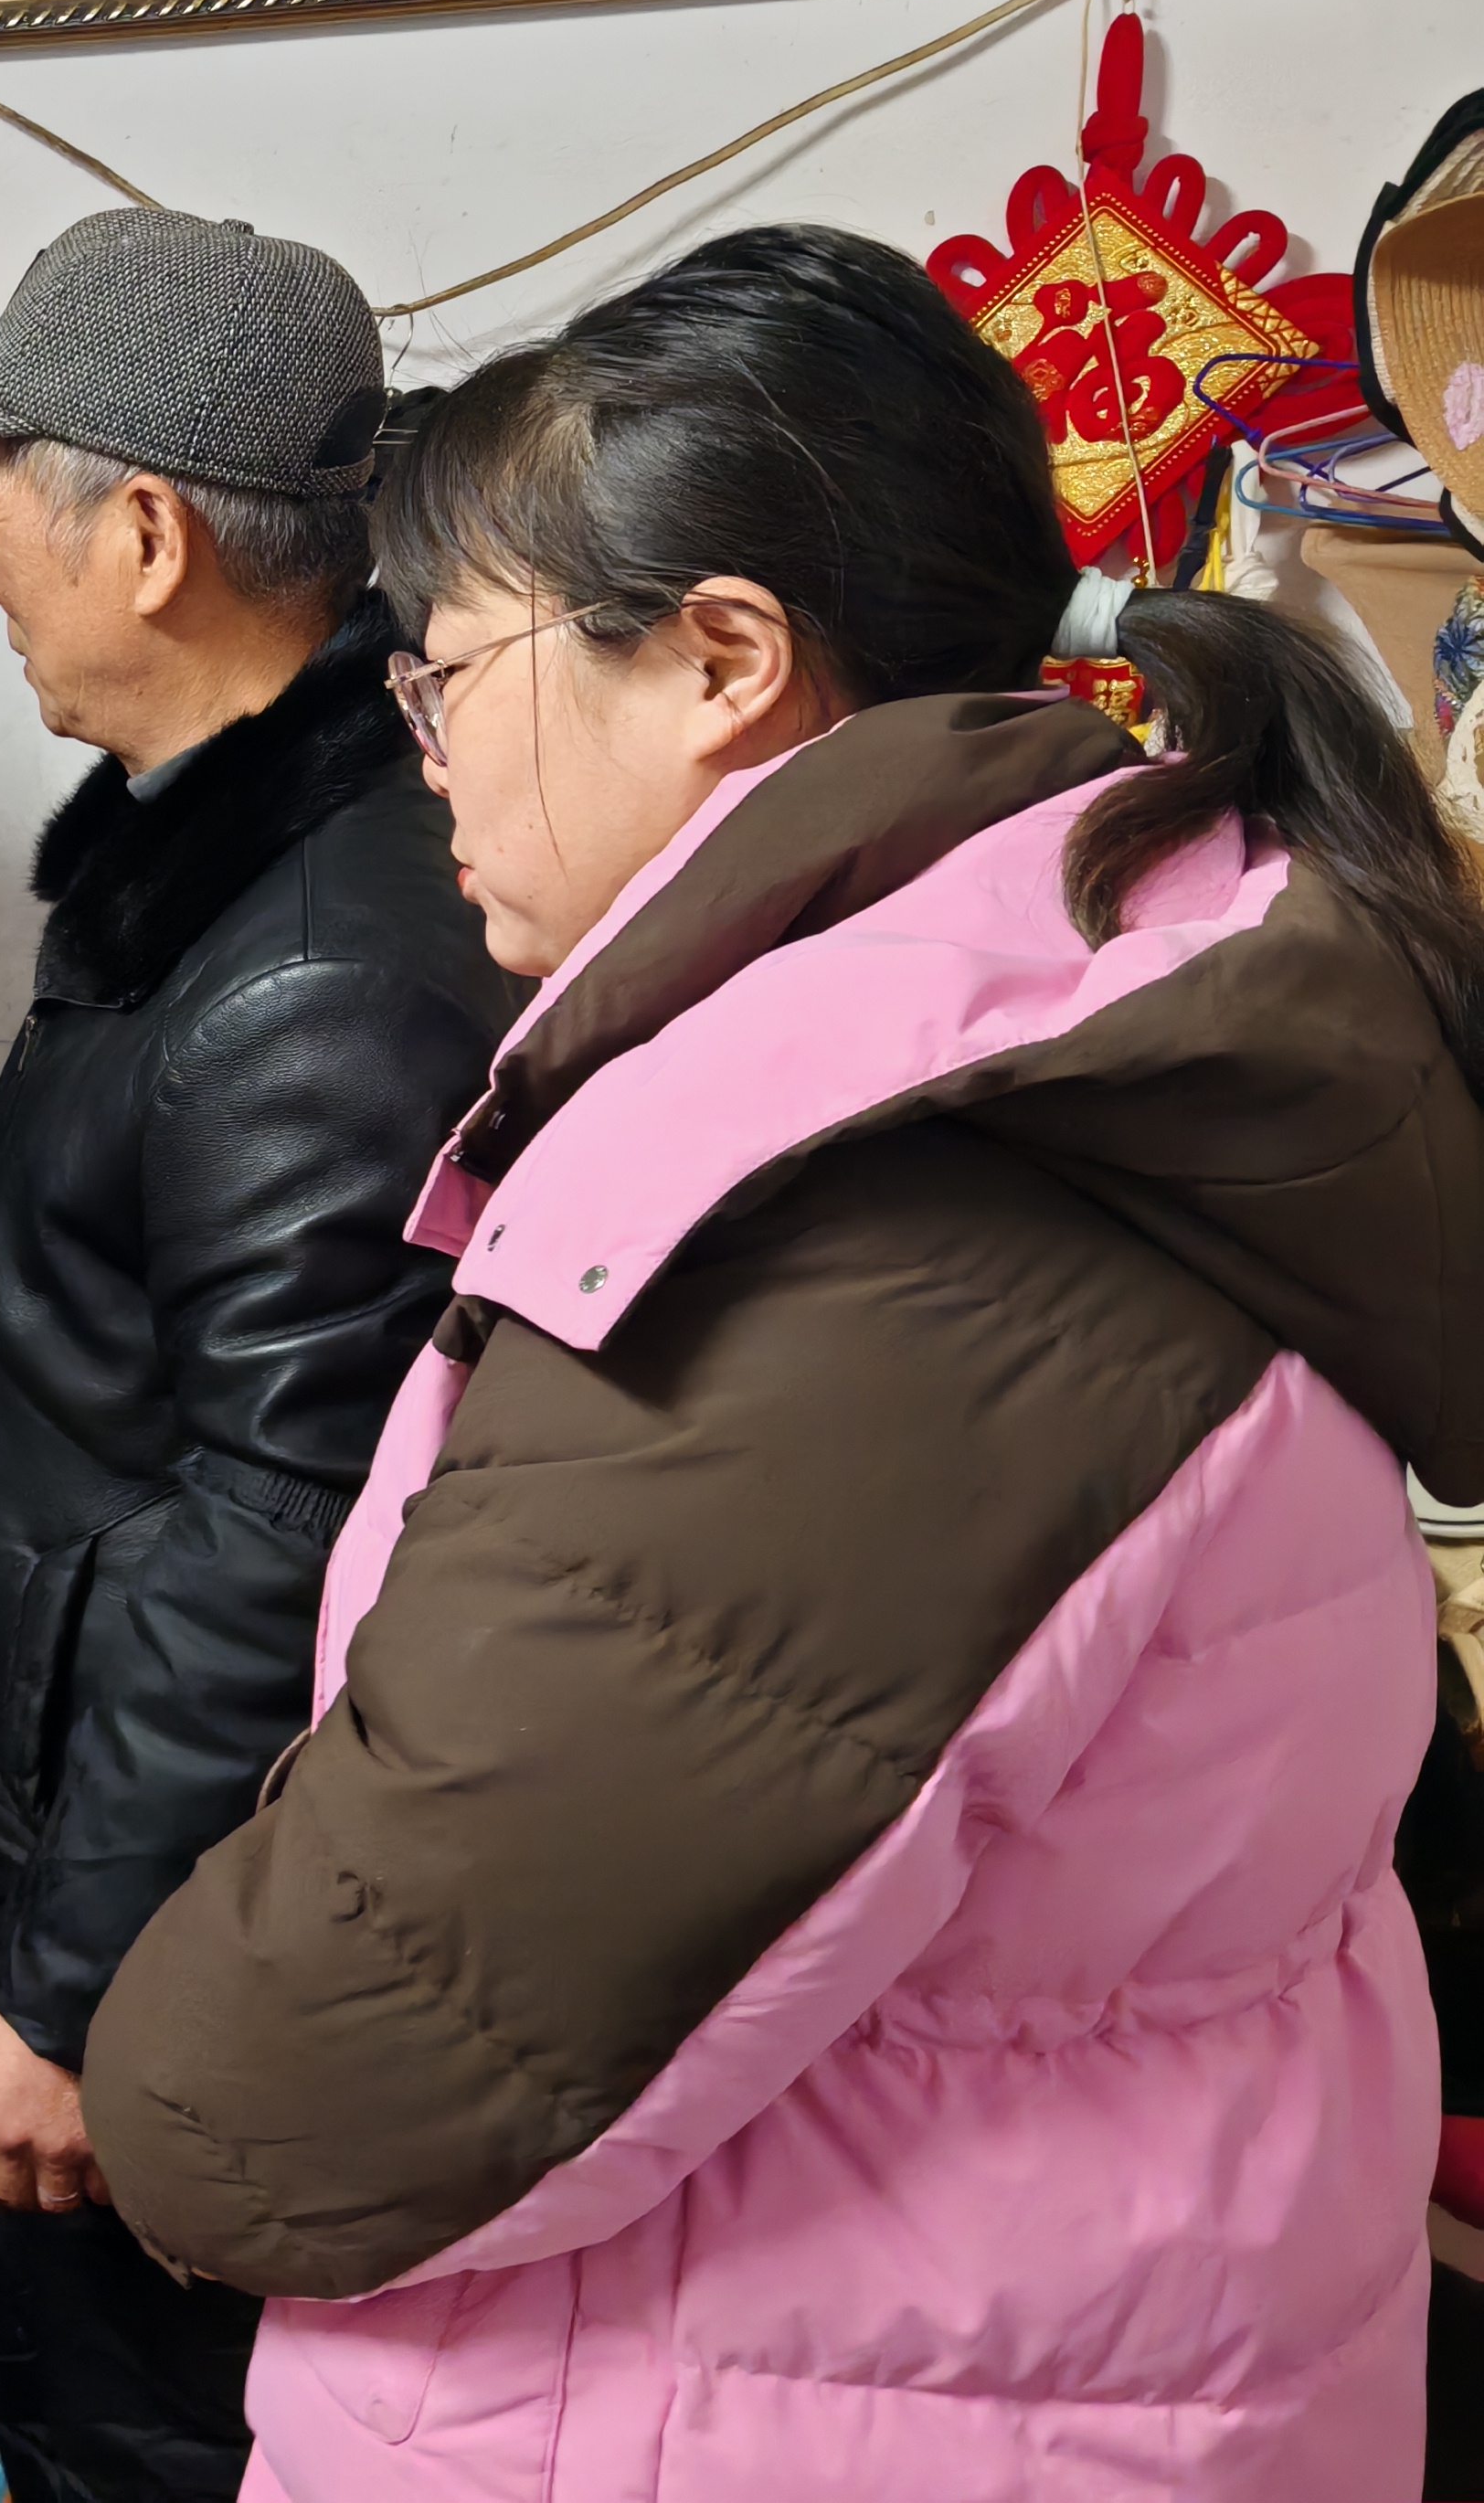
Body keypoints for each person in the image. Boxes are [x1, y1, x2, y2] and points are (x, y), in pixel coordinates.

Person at [84, 225, 1484, 2500]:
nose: (426, 761)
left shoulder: (862, 1206)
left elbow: (327, 2078)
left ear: (718, 660)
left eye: (446, 675)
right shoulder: (1105, 1001)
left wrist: (151, 2069)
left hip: (730, 2408)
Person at [0, 214, 520, 2503]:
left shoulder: (311, 974)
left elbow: (276, 1532)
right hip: (105, 1882)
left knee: (141, 2442)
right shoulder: (211, 876)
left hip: (173, 1945)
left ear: (139, 535)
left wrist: (60, 1991)